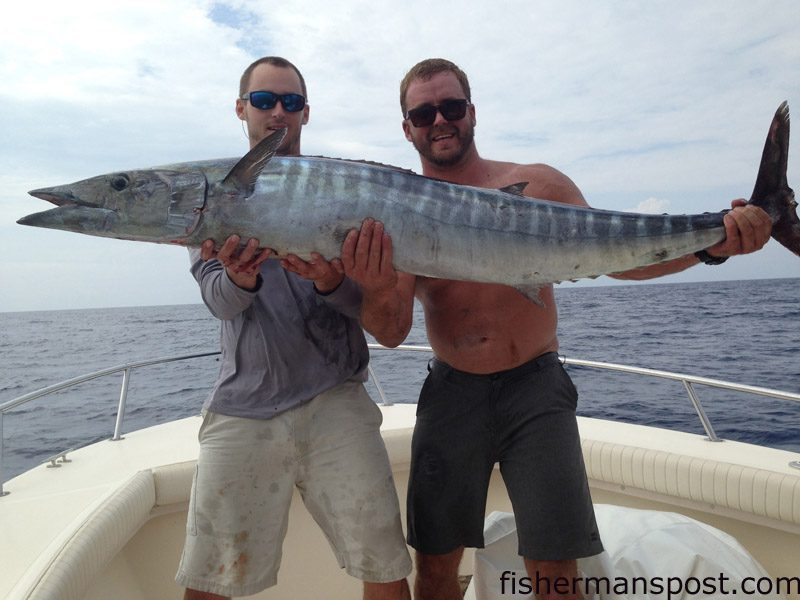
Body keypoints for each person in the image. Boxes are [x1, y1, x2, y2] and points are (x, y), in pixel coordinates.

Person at [339, 58, 773, 600]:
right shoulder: (394, 211)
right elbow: (393, 330)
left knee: (556, 570)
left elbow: (621, 258)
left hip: (536, 391)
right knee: (435, 565)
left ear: (471, 113)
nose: (439, 121)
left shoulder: (539, 183)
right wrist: (373, 285)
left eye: (451, 107)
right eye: (424, 113)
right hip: (453, 395)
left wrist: (714, 245)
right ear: (407, 128)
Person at [175, 56, 412, 600]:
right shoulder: (213, 194)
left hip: (337, 401)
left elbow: (366, 307)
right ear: (242, 109)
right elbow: (219, 300)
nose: (277, 112)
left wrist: (334, 282)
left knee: (384, 566)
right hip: (245, 404)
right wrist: (241, 276)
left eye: (290, 102)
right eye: (264, 101)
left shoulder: (348, 189)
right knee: (210, 579)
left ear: (306, 113)